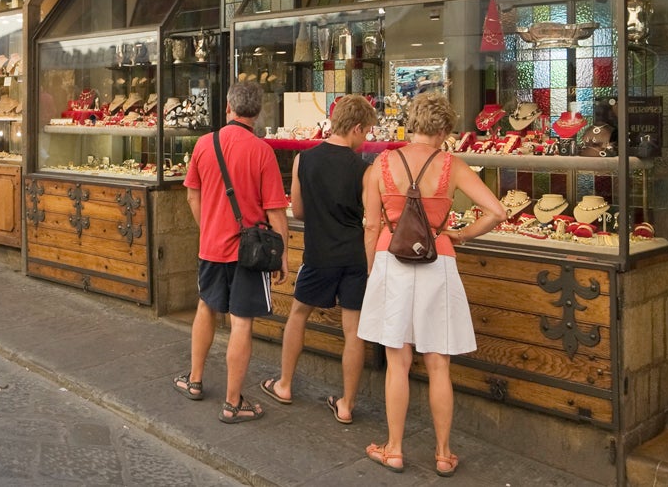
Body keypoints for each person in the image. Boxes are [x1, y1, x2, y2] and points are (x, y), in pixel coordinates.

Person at [358, 92, 504, 477]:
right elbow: (498, 211)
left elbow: (372, 225)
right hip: (438, 261)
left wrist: (374, 269)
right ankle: (442, 453)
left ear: (412, 124)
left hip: (391, 261)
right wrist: (463, 234)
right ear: (443, 130)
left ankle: (393, 449)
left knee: (397, 362)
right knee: (439, 363)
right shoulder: (451, 165)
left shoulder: (381, 164)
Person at [175, 81, 288, 425]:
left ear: (228, 107)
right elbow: (275, 212)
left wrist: (208, 227)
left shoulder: (204, 144)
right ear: (258, 113)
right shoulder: (262, 152)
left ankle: (194, 380)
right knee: (241, 322)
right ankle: (232, 401)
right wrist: (283, 255)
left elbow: (192, 195)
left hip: (211, 245)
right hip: (249, 253)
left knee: (205, 308)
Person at [261, 94, 373, 423]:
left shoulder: (303, 160)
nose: (365, 139)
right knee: (353, 330)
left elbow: (297, 210)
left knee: (298, 314)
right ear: (356, 127)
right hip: (354, 255)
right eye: (366, 132)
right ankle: (347, 404)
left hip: (318, 252)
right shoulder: (364, 169)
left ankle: (284, 384)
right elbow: (370, 216)